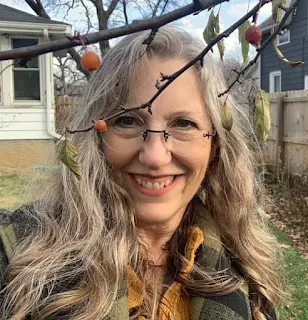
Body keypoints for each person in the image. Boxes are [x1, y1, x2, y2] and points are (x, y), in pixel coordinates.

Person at [0, 27, 284, 320]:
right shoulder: (18, 259)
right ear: (95, 138)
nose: (154, 156)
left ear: (215, 148)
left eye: (184, 123)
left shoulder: (248, 280)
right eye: (127, 120)